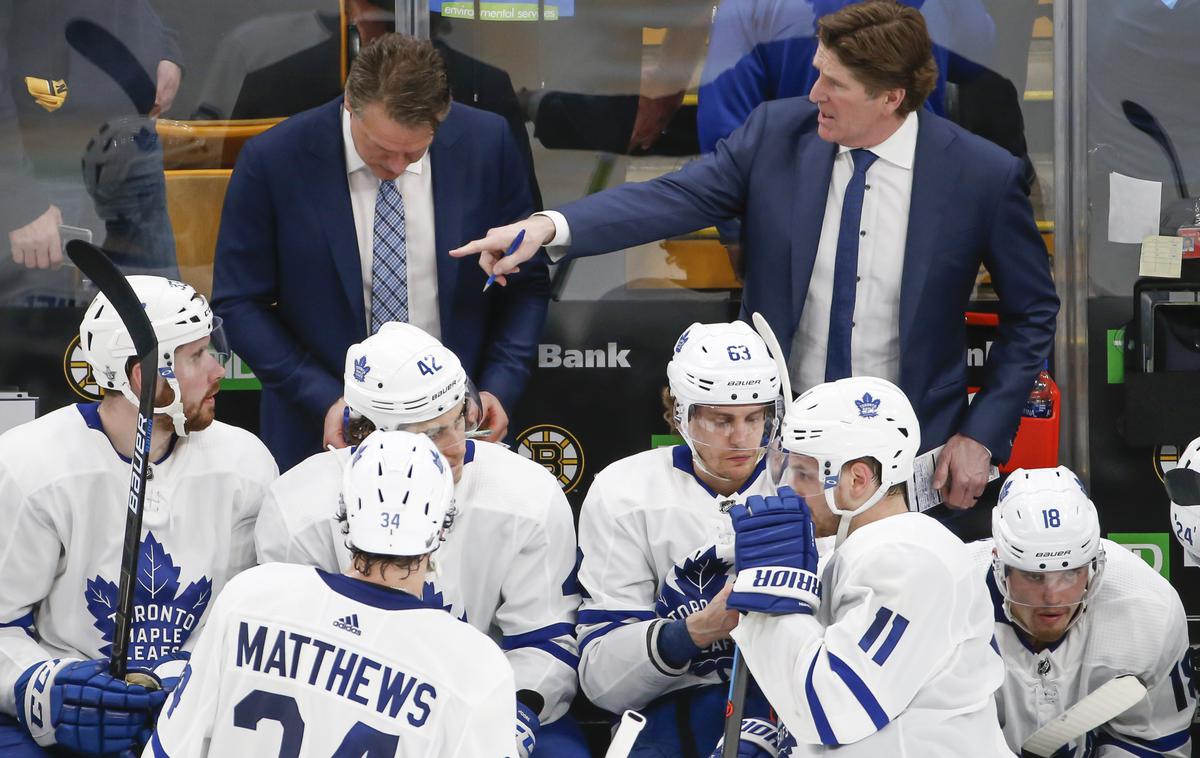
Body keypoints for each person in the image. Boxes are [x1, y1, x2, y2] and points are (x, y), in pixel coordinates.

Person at [452, 0, 1058, 512]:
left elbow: (1033, 310)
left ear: (890, 97)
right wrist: (548, 225)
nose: (813, 91)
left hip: (906, 463)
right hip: (775, 458)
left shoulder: (979, 175)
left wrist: (981, 436)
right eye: (817, 72)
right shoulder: (776, 136)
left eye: (834, 84)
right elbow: (673, 197)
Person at [212, 32, 548, 473]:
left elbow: (528, 281)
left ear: (440, 119)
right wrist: (322, 399)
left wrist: (498, 387)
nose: (396, 168)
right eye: (381, 150)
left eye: (414, 152)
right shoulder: (274, 160)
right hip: (324, 432)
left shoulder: (488, 144)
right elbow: (239, 302)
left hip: (458, 430)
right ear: (351, 104)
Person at [254, 321, 586, 757]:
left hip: (491, 699)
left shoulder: (525, 494)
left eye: (456, 422)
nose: (455, 447)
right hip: (350, 711)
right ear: (367, 435)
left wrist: (507, 722)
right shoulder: (299, 510)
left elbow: (544, 644)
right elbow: (292, 665)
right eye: (429, 435)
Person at [0, 276, 278, 757]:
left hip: (191, 715)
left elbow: (248, 619)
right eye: (196, 356)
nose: (218, 371)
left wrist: (187, 674)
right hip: (65, 726)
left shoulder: (245, 465)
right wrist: (44, 688)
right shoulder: (30, 467)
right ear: (143, 378)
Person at [147, 430, 518, 757]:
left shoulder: (251, 596)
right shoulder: (474, 665)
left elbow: (169, 749)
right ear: (442, 526)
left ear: (345, 510)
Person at [721, 376, 1009, 756]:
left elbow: (836, 709)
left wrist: (769, 599)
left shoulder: (911, 560)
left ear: (857, 479)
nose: (788, 486)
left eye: (804, 473)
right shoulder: (859, 550)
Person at [574, 321, 782, 757]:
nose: (742, 437)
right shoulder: (625, 490)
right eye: (722, 420)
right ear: (680, 414)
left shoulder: (808, 484)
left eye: (755, 417)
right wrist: (693, 632)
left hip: (791, 702)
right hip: (668, 712)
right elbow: (602, 682)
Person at [970, 467, 1194, 757]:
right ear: (1000, 565)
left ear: (1093, 566)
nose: (1053, 597)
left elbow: (1156, 743)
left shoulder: (1148, 608)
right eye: (1035, 576)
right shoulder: (945, 599)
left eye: (1070, 574)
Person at [1, 0, 183, 307]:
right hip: (43, 165)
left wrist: (162, 45)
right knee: (42, 345)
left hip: (133, 146)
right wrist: (17, 198)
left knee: (160, 327)